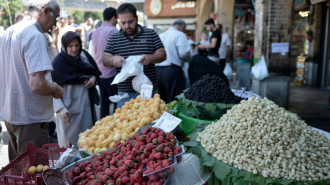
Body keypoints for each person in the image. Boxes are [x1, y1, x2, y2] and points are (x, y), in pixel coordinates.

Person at [0, 0, 64, 161]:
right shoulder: (34, 35)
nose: (55, 24)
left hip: (11, 116)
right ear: (46, 11)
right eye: (55, 17)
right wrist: (55, 89)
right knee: (34, 173)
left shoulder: (10, 31)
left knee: (19, 173)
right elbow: (38, 84)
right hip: (31, 120)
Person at [102, 3, 166, 108]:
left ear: (136, 18)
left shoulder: (150, 34)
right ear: (118, 21)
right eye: (123, 23)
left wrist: (150, 58)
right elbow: (105, 59)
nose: (127, 26)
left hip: (148, 92)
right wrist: (114, 59)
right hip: (125, 94)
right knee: (125, 123)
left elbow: (162, 54)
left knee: (151, 121)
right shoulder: (114, 38)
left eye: (130, 22)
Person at [51, 31, 101, 149]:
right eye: (70, 46)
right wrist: (61, 109)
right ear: (65, 46)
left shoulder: (84, 57)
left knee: (88, 144)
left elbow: (95, 72)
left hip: (86, 108)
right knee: (70, 147)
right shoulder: (58, 63)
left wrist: (93, 79)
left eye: (77, 46)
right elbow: (51, 89)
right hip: (69, 112)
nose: (74, 49)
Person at [92, 7, 118, 118]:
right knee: (118, 103)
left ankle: (104, 129)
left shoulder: (96, 31)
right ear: (113, 18)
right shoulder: (113, 31)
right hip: (111, 73)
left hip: (99, 72)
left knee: (104, 104)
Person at [156, 20, 190, 103]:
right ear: (182, 27)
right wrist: (188, 58)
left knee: (161, 102)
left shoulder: (161, 35)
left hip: (158, 71)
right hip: (172, 70)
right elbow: (184, 53)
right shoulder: (180, 34)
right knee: (174, 101)